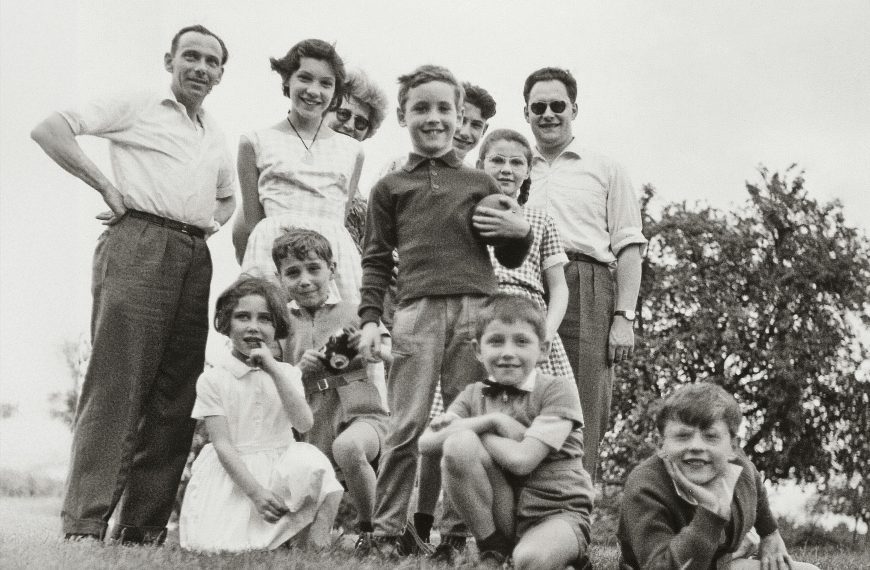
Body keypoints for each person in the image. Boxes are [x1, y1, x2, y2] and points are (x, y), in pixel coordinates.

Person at [30, 25, 236, 543]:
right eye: (191, 56)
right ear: (169, 59)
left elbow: (228, 196)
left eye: (212, 62)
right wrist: (106, 187)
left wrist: (211, 219)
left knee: (177, 394)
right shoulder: (139, 104)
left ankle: (142, 529)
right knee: (117, 384)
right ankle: (84, 522)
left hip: (195, 255)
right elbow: (50, 128)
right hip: (139, 242)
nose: (200, 68)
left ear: (220, 74)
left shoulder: (214, 131)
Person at [355, 64, 534, 558]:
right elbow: (375, 259)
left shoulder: (479, 182)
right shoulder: (389, 188)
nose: (433, 118)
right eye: (421, 108)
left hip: (477, 310)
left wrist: (520, 232)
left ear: (459, 118)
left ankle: (454, 537)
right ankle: (388, 532)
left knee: (464, 421)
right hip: (415, 312)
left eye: (443, 109)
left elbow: (511, 252)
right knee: (407, 423)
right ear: (403, 115)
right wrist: (371, 318)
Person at [522, 67, 647, 481]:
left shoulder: (605, 168)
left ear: (574, 108)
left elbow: (629, 246)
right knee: (517, 395)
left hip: (586, 283)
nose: (549, 114)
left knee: (582, 405)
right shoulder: (514, 166)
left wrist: (623, 318)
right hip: (523, 280)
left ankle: (574, 522)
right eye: (538, 107)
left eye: (558, 105)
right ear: (526, 113)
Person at [419, 294, 593, 570]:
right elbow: (427, 443)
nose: (508, 352)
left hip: (557, 512)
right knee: (458, 445)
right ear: (478, 350)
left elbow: (522, 461)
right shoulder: (473, 394)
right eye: (496, 341)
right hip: (505, 513)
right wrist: (493, 421)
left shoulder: (557, 390)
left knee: (530, 560)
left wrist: (474, 430)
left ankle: (561, 556)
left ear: (544, 349)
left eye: (521, 341)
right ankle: (493, 548)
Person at [179, 277, 343, 552]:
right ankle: (272, 532)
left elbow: (304, 422)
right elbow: (222, 445)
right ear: (227, 323)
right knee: (214, 546)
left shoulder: (287, 373)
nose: (254, 327)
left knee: (314, 461)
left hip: (280, 466)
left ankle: (316, 536)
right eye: (243, 317)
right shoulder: (213, 379)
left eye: (264, 319)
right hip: (235, 473)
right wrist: (255, 492)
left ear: (276, 326)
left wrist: (274, 370)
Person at [618, 383, 820, 570]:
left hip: (720, 561)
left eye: (711, 436)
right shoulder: (645, 486)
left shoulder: (740, 469)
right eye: (682, 436)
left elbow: (757, 491)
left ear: (733, 447)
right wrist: (710, 514)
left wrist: (770, 534)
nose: (696, 446)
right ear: (662, 444)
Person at [271, 228, 390, 546]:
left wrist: (369, 343)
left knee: (349, 448)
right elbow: (272, 381)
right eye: (293, 273)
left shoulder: (354, 311)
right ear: (280, 278)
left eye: (314, 269)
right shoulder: (283, 325)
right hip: (312, 422)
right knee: (306, 543)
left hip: (361, 413)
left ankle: (374, 531)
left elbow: (388, 350)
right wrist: (298, 371)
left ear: (332, 270)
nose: (305, 280)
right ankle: (303, 533)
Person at [233, 39, 364, 303]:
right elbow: (254, 221)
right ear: (287, 81)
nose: (314, 91)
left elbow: (340, 215)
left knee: (340, 335)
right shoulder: (254, 141)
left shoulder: (353, 150)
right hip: (272, 252)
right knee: (274, 331)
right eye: (304, 78)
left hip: (331, 255)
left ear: (335, 91)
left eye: (325, 83)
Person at [323, 68, 390, 249]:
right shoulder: (294, 162)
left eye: (361, 123)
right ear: (324, 111)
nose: (350, 126)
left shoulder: (355, 179)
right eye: (343, 114)